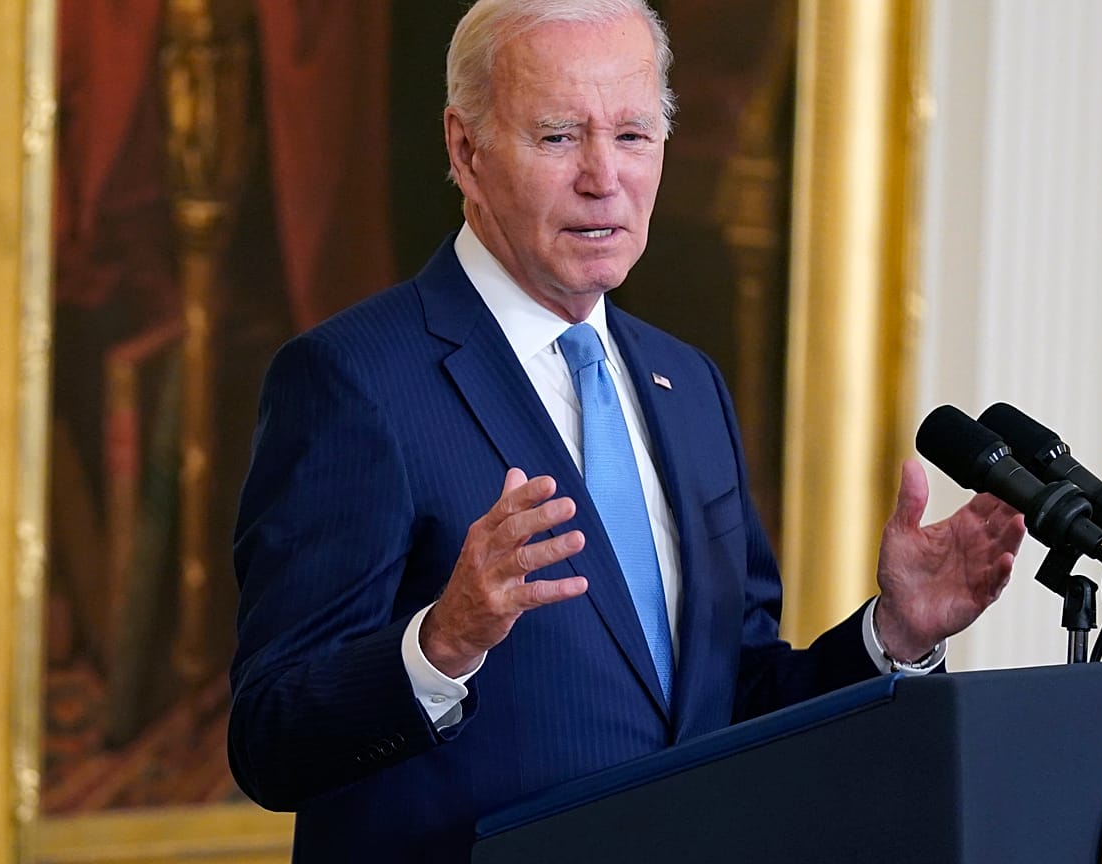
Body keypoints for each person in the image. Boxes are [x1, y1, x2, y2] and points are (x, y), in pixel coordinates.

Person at [228, 1, 1026, 860]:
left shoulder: (687, 385)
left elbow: (732, 701)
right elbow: (270, 740)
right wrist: (441, 643)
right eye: (559, 137)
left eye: (635, 136)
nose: (603, 177)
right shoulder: (355, 380)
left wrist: (893, 635)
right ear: (466, 150)